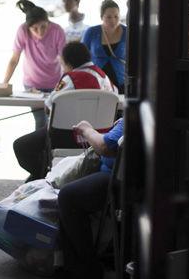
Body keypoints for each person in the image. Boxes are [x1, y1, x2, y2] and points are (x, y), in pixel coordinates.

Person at [13, 42, 114, 182]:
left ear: (68, 62)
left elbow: (48, 109)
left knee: (21, 146)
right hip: (99, 137)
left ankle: (41, 176)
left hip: (69, 136)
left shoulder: (70, 78)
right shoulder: (103, 76)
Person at [58, 118, 124, 279]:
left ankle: (85, 267)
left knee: (68, 196)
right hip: (127, 177)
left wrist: (86, 129)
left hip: (117, 179)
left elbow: (104, 146)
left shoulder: (136, 114)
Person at [3, 0, 66, 133]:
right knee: (40, 121)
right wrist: (5, 83)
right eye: (35, 29)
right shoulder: (22, 30)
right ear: (28, 27)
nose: (40, 32)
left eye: (43, 26)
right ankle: (41, 153)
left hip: (55, 83)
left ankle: (51, 152)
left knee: (55, 122)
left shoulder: (57, 31)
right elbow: (14, 59)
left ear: (48, 22)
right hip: (32, 85)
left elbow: (63, 61)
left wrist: (67, 82)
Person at [81, 0, 126, 93]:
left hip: (121, 81)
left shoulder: (127, 32)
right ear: (101, 17)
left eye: (116, 16)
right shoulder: (92, 32)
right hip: (96, 80)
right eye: (108, 17)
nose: (113, 20)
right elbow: (81, 57)